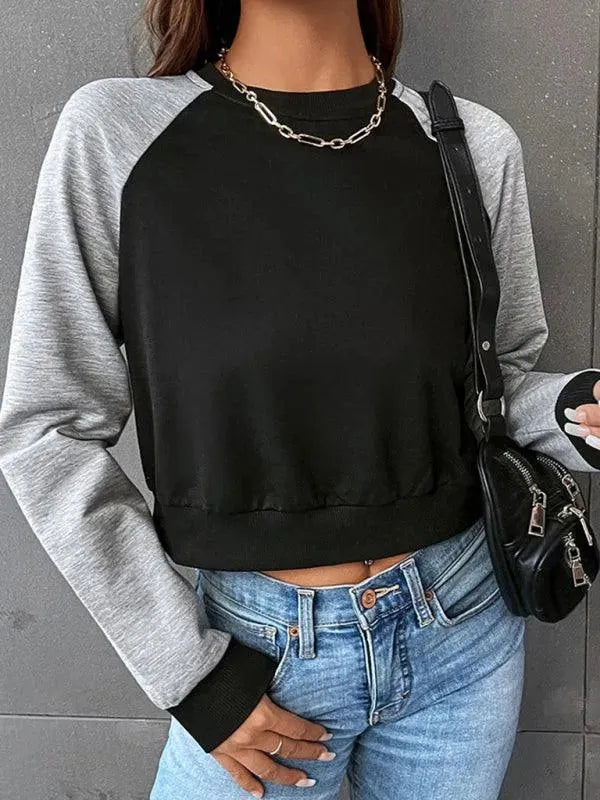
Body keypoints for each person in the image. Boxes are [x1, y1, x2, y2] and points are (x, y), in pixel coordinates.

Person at [2, 1, 600, 798]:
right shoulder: (118, 133)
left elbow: (491, 389)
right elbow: (47, 429)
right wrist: (195, 678)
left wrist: (573, 410)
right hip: (260, 658)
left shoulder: (470, 144)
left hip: (464, 632)